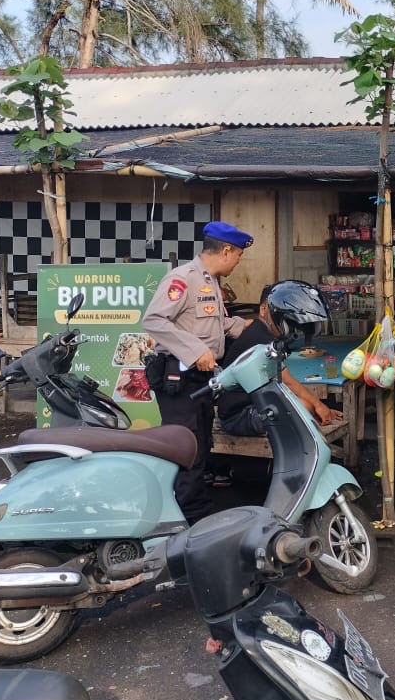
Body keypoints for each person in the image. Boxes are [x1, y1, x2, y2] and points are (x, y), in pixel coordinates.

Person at [143, 220, 252, 523]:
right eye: (239, 255)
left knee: (201, 445)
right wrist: (195, 352)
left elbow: (212, 325)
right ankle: (189, 522)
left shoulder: (210, 282)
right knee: (188, 448)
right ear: (226, 250)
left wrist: (250, 327)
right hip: (179, 377)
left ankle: (194, 512)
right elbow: (154, 321)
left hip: (200, 379)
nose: (238, 262)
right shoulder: (183, 279)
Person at [216, 283, 343, 440]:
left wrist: (322, 408)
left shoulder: (262, 333)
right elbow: (288, 382)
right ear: (263, 310)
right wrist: (319, 405)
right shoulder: (260, 338)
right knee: (305, 407)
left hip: (253, 405)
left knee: (305, 407)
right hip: (238, 416)